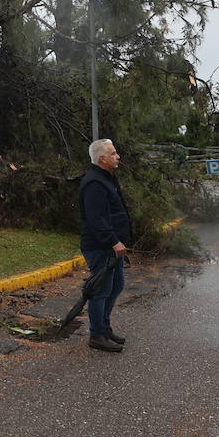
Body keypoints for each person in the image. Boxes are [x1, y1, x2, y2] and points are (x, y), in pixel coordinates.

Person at [78, 138, 133, 353]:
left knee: (116, 286)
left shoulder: (106, 178)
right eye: (113, 153)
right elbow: (97, 219)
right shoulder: (94, 183)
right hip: (100, 246)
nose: (117, 156)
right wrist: (114, 241)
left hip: (112, 247)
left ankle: (104, 327)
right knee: (101, 291)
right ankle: (97, 335)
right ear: (102, 158)